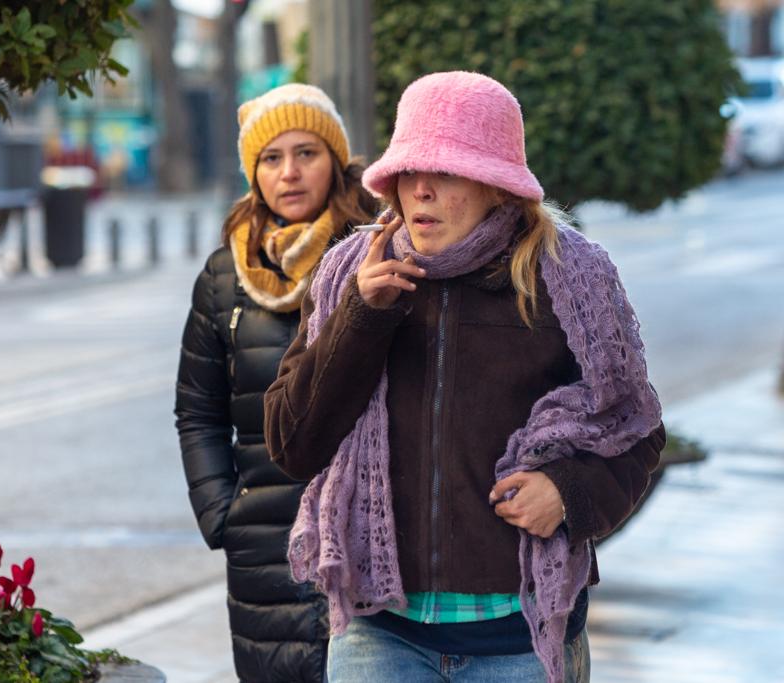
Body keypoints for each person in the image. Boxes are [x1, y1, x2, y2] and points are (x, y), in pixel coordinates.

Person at [263, 71, 667, 683]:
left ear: (496, 186)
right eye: (408, 170)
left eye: (445, 172)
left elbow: (634, 428)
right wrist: (363, 319)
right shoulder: (356, 273)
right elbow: (294, 444)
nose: (419, 189)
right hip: (380, 636)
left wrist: (569, 492)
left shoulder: (566, 277)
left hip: (521, 636)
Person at [175, 83, 377, 682]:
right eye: (271, 158)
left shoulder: (373, 256)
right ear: (253, 171)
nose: (289, 173)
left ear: (335, 162)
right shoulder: (224, 277)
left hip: (365, 534)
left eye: (306, 153)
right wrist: (222, 513)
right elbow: (198, 411)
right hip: (265, 545)